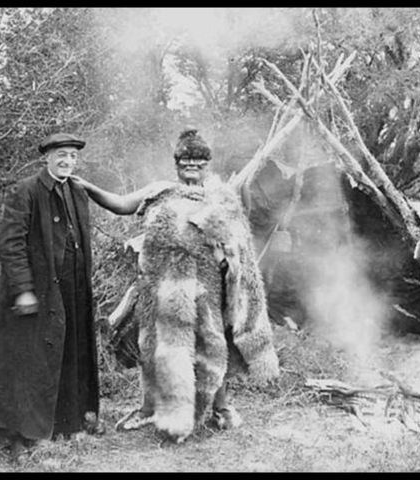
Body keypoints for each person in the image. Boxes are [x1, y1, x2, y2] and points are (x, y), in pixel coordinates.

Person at [74, 128, 279, 441]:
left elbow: (240, 237)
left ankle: (219, 408)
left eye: (198, 161)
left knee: (213, 346)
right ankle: (154, 409)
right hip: (163, 290)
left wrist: (230, 264)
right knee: (156, 348)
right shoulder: (160, 191)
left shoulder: (221, 195)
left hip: (210, 289)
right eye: (186, 161)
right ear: (177, 163)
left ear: (208, 164)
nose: (192, 166)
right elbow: (119, 204)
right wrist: (85, 186)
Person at [0, 132, 104, 460]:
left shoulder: (75, 191)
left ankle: (66, 422)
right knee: (28, 364)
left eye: (73, 156)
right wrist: (24, 291)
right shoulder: (26, 191)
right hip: (36, 295)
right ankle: (21, 436)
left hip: (71, 292)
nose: (67, 161)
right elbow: (10, 245)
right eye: (61, 155)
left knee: (68, 356)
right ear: (46, 157)